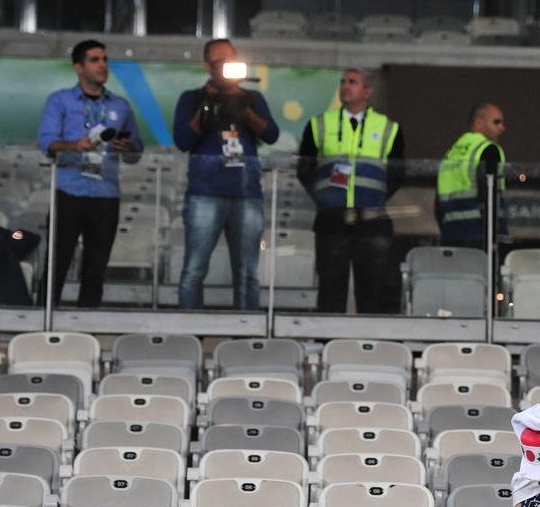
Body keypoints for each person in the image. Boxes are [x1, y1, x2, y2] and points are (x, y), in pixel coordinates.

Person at [173, 39, 279, 311]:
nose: (225, 67)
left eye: (230, 61)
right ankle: (190, 332)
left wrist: (241, 107)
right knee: (194, 269)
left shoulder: (252, 99)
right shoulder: (191, 98)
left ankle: (245, 337)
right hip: (204, 193)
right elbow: (183, 140)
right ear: (208, 66)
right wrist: (208, 102)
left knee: (248, 272)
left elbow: (271, 134)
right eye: (219, 62)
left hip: (246, 192)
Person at [37, 39, 143, 308]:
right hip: (68, 191)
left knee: (96, 267)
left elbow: (135, 153)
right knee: (57, 262)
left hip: (106, 194)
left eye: (105, 59)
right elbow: (47, 142)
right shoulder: (59, 100)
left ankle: (86, 328)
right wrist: (75, 145)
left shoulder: (120, 106)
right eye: (95, 60)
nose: (103, 65)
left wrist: (127, 146)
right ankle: (42, 323)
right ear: (78, 68)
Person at [296, 68, 405, 314]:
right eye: (343, 82)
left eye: (353, 82)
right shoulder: (319, 124)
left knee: (372, 285)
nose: (346, 86)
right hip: (331, 217)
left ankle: (369, 343)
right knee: (330, 284)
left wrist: (375, 198)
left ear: (367, 91)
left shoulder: (389, 128)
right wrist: (323, 198)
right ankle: (328, 342)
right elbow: (305, 169)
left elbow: (398, 173)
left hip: (371, 217)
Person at [436, 102, 507, 247]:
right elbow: (489, 195)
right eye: (496, 122)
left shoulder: (452, 152)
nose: (502, 128)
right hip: (479, 232)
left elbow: (437, 201)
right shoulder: (488, 149)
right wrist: (495, 235)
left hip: (450, 232)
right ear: (479, 123)